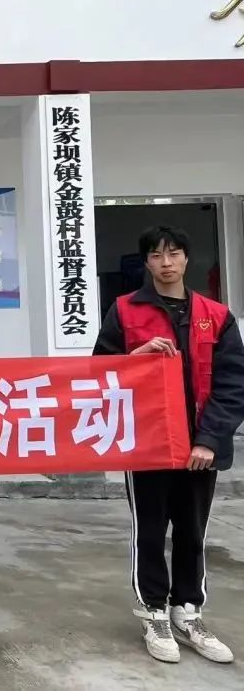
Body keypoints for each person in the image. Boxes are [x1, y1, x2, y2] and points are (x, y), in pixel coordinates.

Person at [95, 226, 244, 665]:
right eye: (157, 256)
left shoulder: (216, 315)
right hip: (147, 445)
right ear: (146, 262)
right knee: (150, 531)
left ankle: (188, 611)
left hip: (199, 449)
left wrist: (209, 440)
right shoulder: (125, 310)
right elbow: (99, 371)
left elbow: (232, 383)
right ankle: (154, 612)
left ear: (185, 259)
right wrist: (135, 357)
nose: (166, 263)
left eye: (174, 254)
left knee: (193, 532)